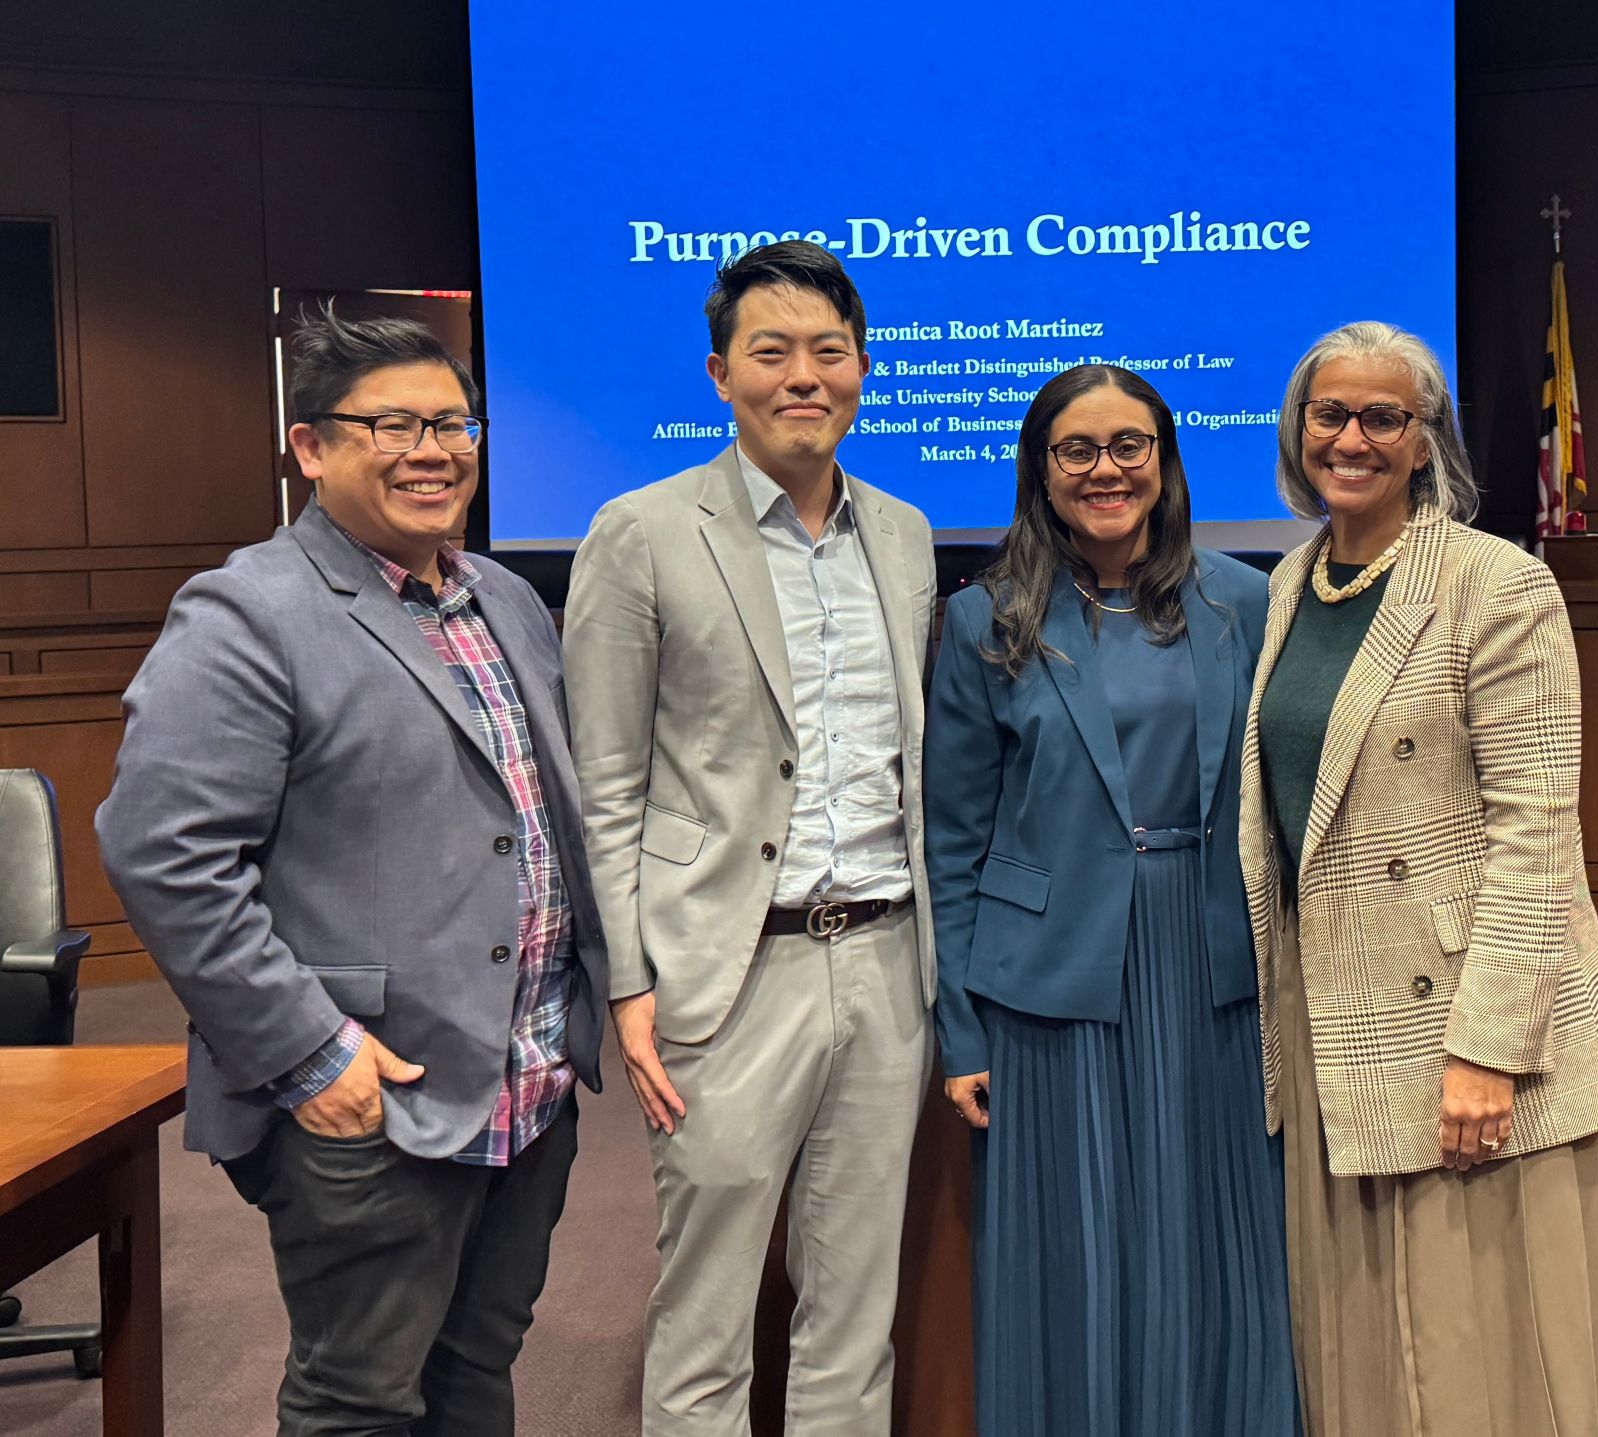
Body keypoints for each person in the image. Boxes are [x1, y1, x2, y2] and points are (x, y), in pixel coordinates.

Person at [96, 309, 607, 1436]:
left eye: (453, 425)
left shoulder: (503, 600)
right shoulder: (247, 611)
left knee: (476, 1372)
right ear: (310, 446)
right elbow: (162, 852)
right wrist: (310, 1054)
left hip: (526, 1084)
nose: (434, 452)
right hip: (373, 1097)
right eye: (393, 426)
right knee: (358, 1401)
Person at [1239, 320, 1598, 1435]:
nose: (1352, 439)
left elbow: (1536, 836)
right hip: (1334, 1005)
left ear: (1426, 442)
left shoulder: (1496, 585)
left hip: (1462, 1021)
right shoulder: (1288, 585)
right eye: (1330, 413)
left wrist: (1488, 1048)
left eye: (1384, 417)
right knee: (1368, 1329)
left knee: (1484, 1340)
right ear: (1297, 429)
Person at [562, 239, 937, 1436]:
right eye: (771, 352)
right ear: (721, 373)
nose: (803, 376)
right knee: (708, 1316)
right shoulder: (640, 529)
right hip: (724, 971)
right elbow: (605, 783)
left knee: (855, 1313)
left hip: (886, 961)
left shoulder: (904, 533)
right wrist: (629, 982)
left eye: (830, 351)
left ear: (863, 368)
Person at [926, 364, 1298, 1436]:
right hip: (1051, 976)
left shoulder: (1244, 600)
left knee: (1212, 1229)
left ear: (1164, 461)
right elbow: (951, 840)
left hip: (1210, 957)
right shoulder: (985, 619)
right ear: (1040, 473)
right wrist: (959, 1030)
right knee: (1076, 1242)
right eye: (1076, 449)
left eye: (1129, 445)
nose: (1105, 469)